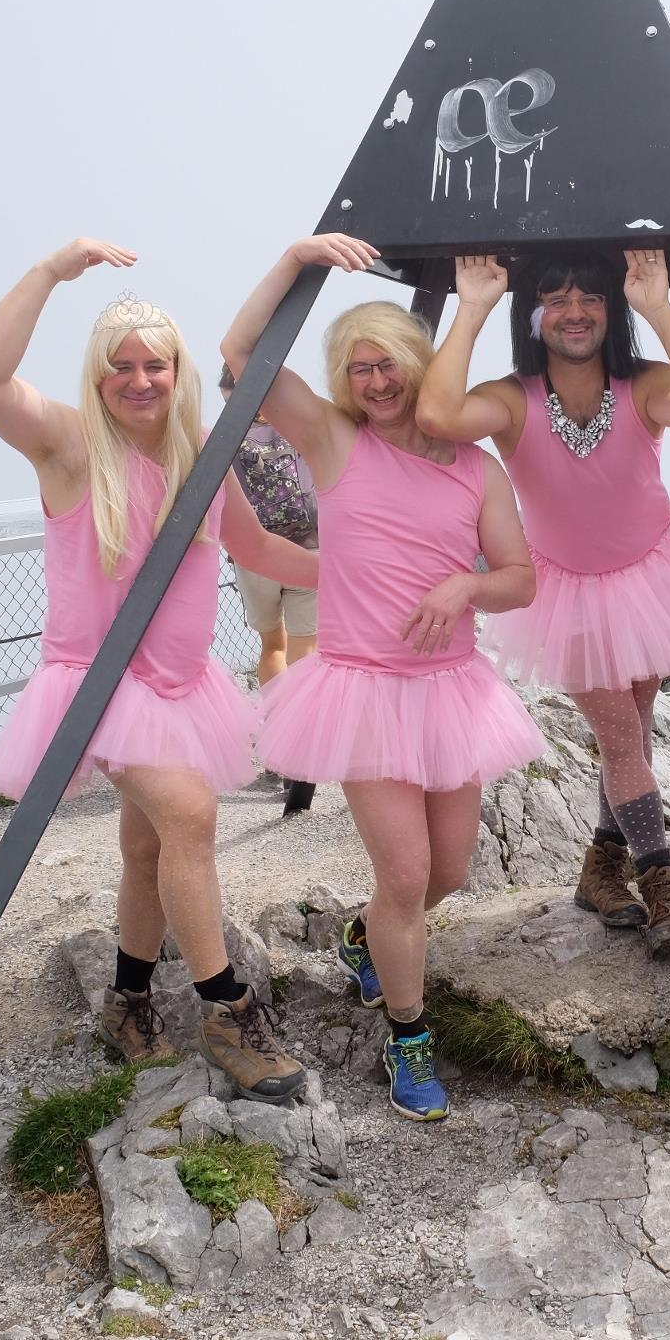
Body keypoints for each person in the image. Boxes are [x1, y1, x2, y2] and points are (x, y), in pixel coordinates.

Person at [0, 240, 318, 1101]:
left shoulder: (199, 452)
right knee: (191, 816)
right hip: (96, 685)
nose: (140, 379)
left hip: (180, 687)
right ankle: (228, 1015)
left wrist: (370, 574)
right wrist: (49, 272)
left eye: (156, 363)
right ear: (99, 374)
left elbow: (260, 546)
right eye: (121, 365)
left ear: (177, 370)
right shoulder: (71, 446)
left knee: (149, 841)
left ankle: (126, 1000)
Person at [221, 233, 544, 1122]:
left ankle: (366, 936)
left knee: (448, 872)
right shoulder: (330, 440)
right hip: (361, 691)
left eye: (390, 362)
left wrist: (468, 582)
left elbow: (520, 578)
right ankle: (409, 1040)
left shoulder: (479, 468)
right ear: (344, 379)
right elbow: (242, 355)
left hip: (452, 691)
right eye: (358, 367)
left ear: (418, 362)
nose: (376, 381)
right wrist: (296, 260)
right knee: (404, 876)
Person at [416, 247, 670, 958]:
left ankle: (600, 866)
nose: (572, 311)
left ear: (610, 308)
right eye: (555, 297)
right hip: (566, 591)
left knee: (635, 725)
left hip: (656, 571)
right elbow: (437, 414)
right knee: (623, 737)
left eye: (589, 297)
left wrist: (658, 304)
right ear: (533, 313)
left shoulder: (642, 384)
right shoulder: (511, 398)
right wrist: (471, 306)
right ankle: (660, 877)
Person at [219, 363, 319, 815]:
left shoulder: (224, 438)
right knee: (305, 646)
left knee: (271, 644)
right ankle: (302, 739)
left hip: (254, 555)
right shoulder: (299, 428)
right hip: (309, 549)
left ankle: (278, 741)